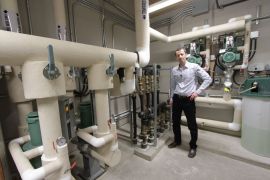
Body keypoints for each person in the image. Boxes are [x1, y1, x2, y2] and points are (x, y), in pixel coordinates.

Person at [168, 48, 212, 158]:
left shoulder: (194, 67)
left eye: (182, 54)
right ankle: (177, 141)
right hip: (177, 98)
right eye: (178, 55)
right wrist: (172, 97)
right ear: (176, 57)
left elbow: (208, 79)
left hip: (189, 100)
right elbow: (173, 85)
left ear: (186, 55)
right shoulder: (174, 70)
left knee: (191, 125)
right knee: (175, 122)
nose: (180, 57)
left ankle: (193, 146)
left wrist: (197, 92)